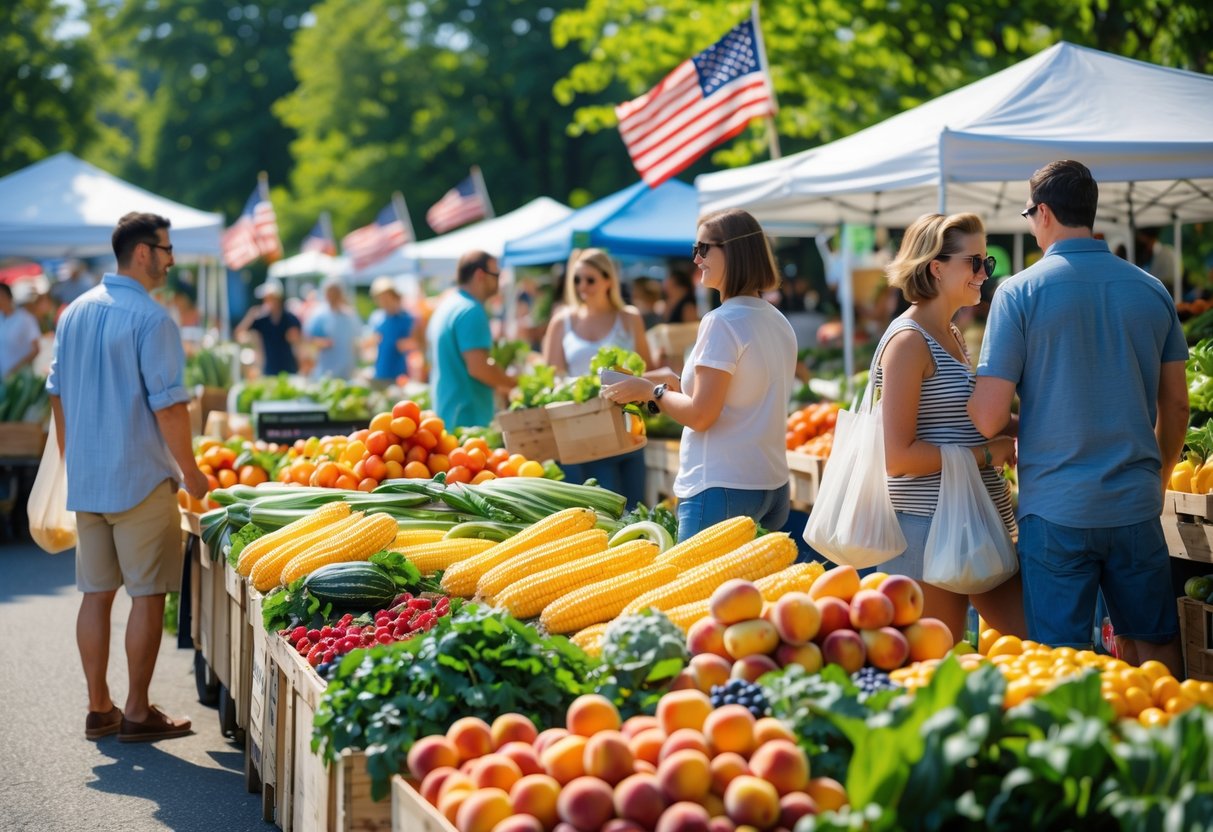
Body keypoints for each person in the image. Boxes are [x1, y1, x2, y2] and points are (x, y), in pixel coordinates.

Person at [969, 160, 1188, 675]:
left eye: (1028, 214)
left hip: (1055, 509)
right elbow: (1176, 404)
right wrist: (1159, 472)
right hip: (1135, 502)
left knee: (1059, 663)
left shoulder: (1018, 292)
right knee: (1153, 652)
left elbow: (987, 418)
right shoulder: (1151, 289)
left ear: (1043, 213)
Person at [46, 211, 208, 743]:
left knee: (95, 594)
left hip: (88, 477)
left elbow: (57, 393)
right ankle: (137, 711)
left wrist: (73, 458)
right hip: (140, 477)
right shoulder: (153, 319)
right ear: (143, 252)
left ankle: (99, 707)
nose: (170, 260)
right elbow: (170, 409)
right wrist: (193, 474)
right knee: (146, 594)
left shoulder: (73, 313)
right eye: (166, 249)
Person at [871, 212, 1024, 642]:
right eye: (975, 262)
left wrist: (1026, 426)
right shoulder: (907, 342)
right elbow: (898, 458)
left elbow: (960, 421)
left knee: (1037, 642)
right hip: (925, 527)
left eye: (987, 262)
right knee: (932, 668)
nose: (984, 273)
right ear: (936, 267)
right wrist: (986, 454)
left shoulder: (951, 333)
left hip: (972, 519)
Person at [603, 209, 797, 541]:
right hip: (772, 486)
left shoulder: (721, 321)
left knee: (693, 592)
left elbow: (701, 416)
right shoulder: (777, 320)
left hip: (720, 487)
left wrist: (652, 392)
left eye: (704, 248)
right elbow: (742, 395)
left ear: (734, 250)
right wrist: (676, 384)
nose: (696, 259)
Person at [541, 248, 654, 508]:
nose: (582, 286)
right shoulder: (561, 321)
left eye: (590, 279)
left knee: (635, 510)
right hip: (580, 433)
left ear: (608, 280)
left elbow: (647, 369)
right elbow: (551, 380)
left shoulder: (629, 318)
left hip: (626, 426)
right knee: (596, 516)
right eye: (577, 279)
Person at [428, 250, 515, 429]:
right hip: (468, 419)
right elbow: (478, 367)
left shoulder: (448, 305)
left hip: (449, 414)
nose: (499, 281)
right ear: (480, 275)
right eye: (496, 275)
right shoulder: (471, 310)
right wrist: (514, 383)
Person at [236, 279, 301, 377]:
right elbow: (239, 333)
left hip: (289, 367)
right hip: (269, 368)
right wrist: (251, 315)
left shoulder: (289, 318)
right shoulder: (262, 320)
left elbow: (297, 339)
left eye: (270, 298)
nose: (268, 301)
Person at [305, 278, 362, 380]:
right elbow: (309, 339)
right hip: (325, 372)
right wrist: (322, 343)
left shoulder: (349, 315)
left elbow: (358, 339)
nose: (333, 295)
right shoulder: (319, 315)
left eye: (336, 292)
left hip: (347, 371)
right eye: (331, 292)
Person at [367, 276, 415, 387]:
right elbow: (371, 343)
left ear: (394, 296)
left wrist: (406, 344)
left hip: (400, 377)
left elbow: (416, 344)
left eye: (386, 297)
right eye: (380, 298)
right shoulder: (377, 318)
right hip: (380, 373)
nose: (384, 301)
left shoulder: (407, 318)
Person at [0, 282, 41, 378]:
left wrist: (16, 369)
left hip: (23, 379)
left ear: (7, 296)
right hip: (4, 379)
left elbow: (36, 349)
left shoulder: (26, 318)